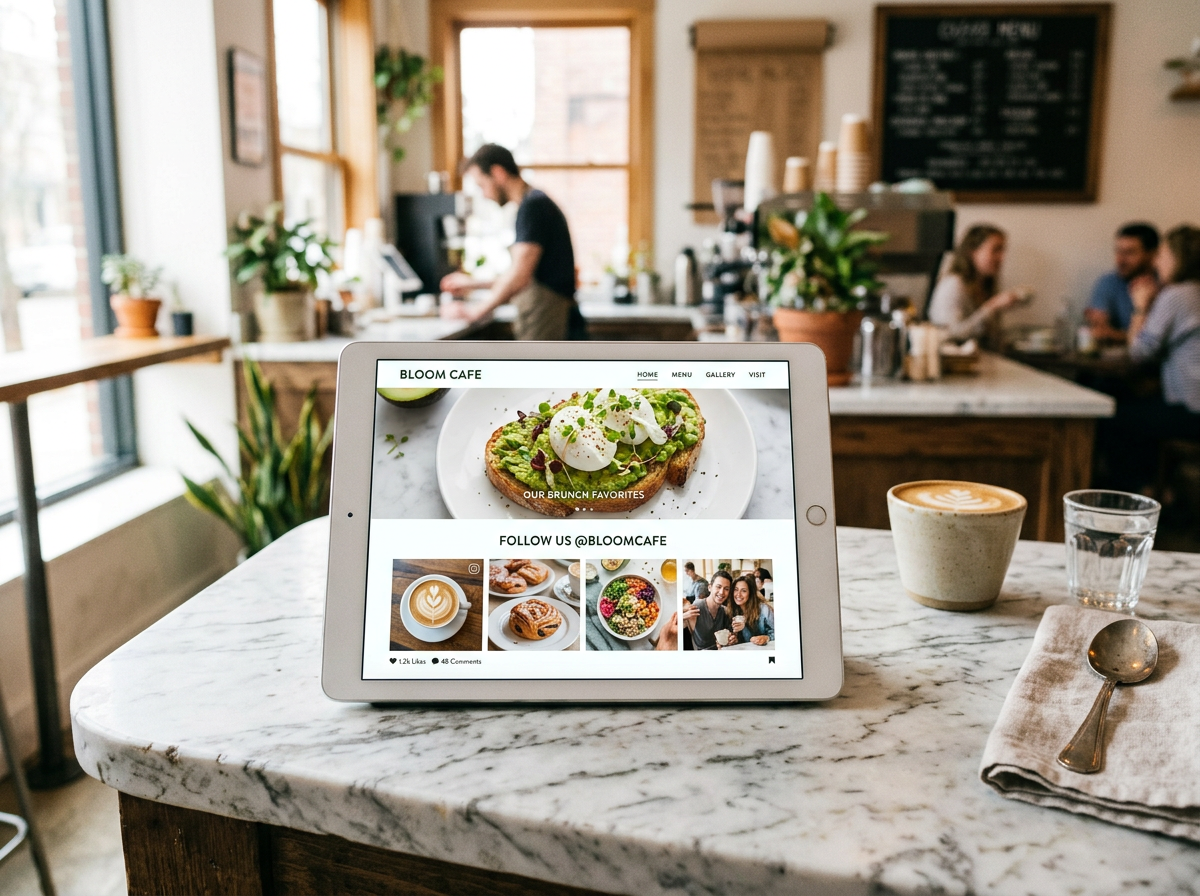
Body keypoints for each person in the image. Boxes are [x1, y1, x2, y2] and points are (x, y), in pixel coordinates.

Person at [439, 143, 586, 340]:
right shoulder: (534, 203)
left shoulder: (533, 207)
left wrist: (476, 311)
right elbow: (523, 272)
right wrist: (473, 283)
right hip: (544, 312)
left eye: (482, 184)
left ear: (498, 173)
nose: (484, 194)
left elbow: (519, 276)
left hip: (547, 314)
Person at [1098, 225, 1200, 493]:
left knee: (1112, 414)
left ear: (1180, 259)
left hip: (1191, 411)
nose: (1157, 261)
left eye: (1163, 254)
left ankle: (1139, 491)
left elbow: (1139, 354)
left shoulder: (1176, 295)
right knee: (1136, 405)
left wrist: (1141, 306)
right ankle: (1159, 487)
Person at [927, 224, 1027, 349]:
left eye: (1003, 250)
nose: (1001, 257)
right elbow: (952, 333)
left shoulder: (985, 285)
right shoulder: (953, 284)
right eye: (996, 249)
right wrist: (992, 306)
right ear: (973, 251)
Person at [1086, 223, 1160, 345]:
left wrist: (1116, 335)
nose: (1120, 259)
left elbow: (1159, 341)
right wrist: (1099, 326)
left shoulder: (1167, 285)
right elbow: (1100, 332)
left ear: (1152, 254)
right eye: (1118, 251)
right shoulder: (1108, 282)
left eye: (1129, 252)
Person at [682, 569, 732, 651]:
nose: (722, 592)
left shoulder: (725, 611)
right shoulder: (696, 607)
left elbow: (729, 637)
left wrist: (732, 638)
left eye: (726, 589)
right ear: (710, 587)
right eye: (718, 587)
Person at [730, 575, 774, 646]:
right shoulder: (731, 610)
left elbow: (779, 634)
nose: (738, 594)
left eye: (743, 591)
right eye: (736, 589)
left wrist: (766, 638)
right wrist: (734, 638)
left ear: (750, 593)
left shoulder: (764, 609)